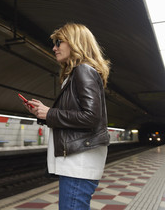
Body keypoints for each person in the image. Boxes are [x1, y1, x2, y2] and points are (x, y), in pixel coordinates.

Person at [20, 23, 110, 209]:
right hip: (77, 159)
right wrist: (44, 114)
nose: (54, 48)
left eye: (59, 42)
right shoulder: (74, 75)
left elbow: (91, 117)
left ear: (76, 43)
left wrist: (51, 113)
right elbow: (77, 115)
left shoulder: (83, 71)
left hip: (79, 162)